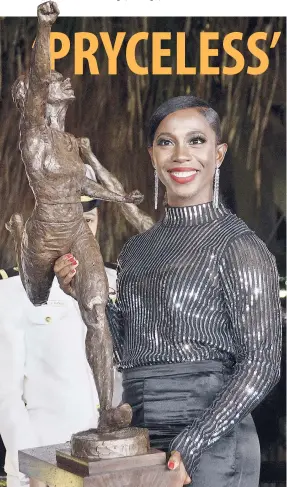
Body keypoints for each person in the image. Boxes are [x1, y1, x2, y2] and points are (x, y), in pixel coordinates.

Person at [54, 96, 282, 486]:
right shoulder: (138, 251)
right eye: (166, 142)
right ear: (152, 155)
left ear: (219, 153)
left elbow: (262, 366)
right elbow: (127, 350)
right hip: (139, 431)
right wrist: (81, 293)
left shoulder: (239, 245)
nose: (181, 155)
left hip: (213, 440)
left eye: (196, 141)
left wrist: (191, 445)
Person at [7, 0, 143, 432]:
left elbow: (82, 186)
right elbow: (43, 72)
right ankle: (18, 238)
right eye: (50, 82)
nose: (61, 81)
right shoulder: (34, 136)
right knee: (34, 293)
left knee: (97, 309)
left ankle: (108, 411)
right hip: (45, 234)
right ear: (37, 96)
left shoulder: (69, 142)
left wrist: (119, 200)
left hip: (74, 233)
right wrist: (45, 28)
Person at [0, 164, 125, 487]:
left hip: (117, 462)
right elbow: (7, 397)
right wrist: (32, 469)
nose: (79, 234)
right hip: (51, 464)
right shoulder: (14, 291)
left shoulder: (119, 285)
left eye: (87, 222)